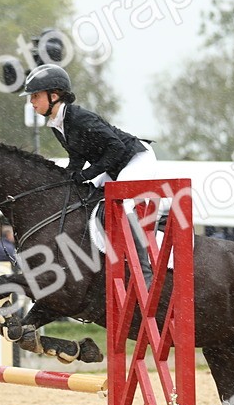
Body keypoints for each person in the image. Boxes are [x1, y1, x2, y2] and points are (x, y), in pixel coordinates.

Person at [22, 63, 157, 283]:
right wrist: (63, 179)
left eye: (35, 96)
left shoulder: (79, 118)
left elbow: (116, 147)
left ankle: (145, 274)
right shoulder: (57, 124)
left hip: (135, 158)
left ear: (54, 96)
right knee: (86, 197)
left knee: (123, 205)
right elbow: (77, 158)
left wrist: (87, 174)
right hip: (114, 166)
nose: (31, 101)